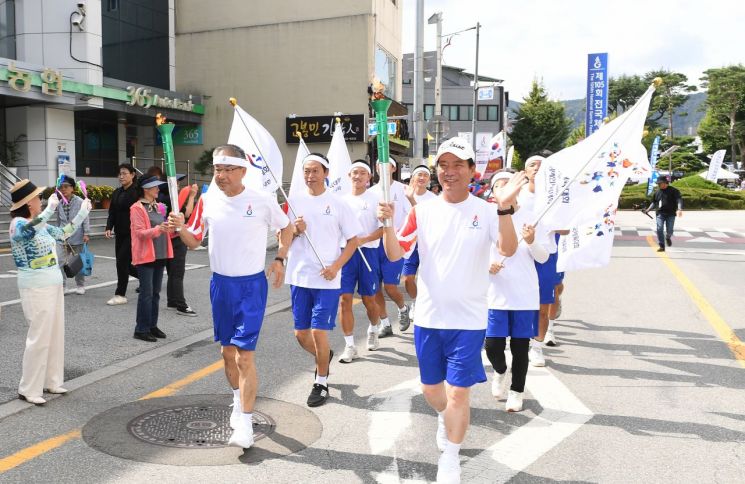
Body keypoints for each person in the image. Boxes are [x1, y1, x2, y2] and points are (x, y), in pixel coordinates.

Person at [378, 137, 523, 483]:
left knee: (459, 392)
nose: (450, 171)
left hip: (469, 320)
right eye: (444, 164)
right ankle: (448, 419)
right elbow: (396, 253)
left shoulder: (487, 211)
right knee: (432, 391)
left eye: (458, 164)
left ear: (473, 170)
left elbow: (508, 248)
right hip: (428, 318)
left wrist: (503, 209)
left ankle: (451, 458)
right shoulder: (422, 210)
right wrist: (386, 224)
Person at [171, 144, 292, 449]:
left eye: (227, 169)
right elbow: (195, 241)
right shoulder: (209, 200)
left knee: (245, 355)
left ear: (242, 171)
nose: (221, 175)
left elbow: (287, 227)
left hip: (251, 286)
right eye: (217, 169)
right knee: (227, 354)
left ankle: (247, 424)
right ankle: (238, 401)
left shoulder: (262, 200)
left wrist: (280, 259)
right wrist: (180, 228)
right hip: (221, 286)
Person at [286, 153, 361, 407]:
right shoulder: (294, 201)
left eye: (315, 171)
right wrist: (295, 231)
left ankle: (321, 381)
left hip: (327, 278)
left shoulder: (338, 204)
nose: (310, 176)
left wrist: (336, 266)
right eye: (306, 171)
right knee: (300, 334)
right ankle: (324, 356)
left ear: (326, 173)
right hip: (299, 275)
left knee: (319, 331)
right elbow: (284, 237)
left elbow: (353, 241)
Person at [9, 180, 92, 405]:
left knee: (55, 334)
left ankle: (52, 381)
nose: (41, 200)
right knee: (39, 337)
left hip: (53, 282)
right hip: (35, 286)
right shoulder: (18, 223)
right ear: (28, 203)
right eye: (37, 198)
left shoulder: (42, 223)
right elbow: (27, 232)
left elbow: (65, 233)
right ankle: (29, 388)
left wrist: (82, 213)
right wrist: (50, 210)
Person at [484, 170, 548, 413]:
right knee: (492, 345)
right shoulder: (487, 216)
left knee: (520, 348)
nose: (504, 189)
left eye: (508, 184)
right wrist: (485, 266)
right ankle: (500, 371)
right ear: (493, 191)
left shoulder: (531, 217)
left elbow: (542, 258)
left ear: (517, 187)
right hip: (496, 293)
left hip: (524, 294)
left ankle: (517, 392)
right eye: (498, 186)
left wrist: (531, 240)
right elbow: (475, 253)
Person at [338, 161, 383, 362]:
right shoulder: (340, 200)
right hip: (345, 254)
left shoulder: (376, 199)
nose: (358, 176)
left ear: (368, 178)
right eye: (354, 173)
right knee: (344, 300)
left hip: (368, 253)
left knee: (369, 300)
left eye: (362, 173)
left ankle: (374, 328)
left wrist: (363, 239)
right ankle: (349, 346)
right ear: (349, 176)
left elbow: (384, 229)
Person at [145, 165, 199, 317]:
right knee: (177, 273)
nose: (179, 185)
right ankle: (181, 304)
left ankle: (172, 301)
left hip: (164, 238)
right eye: (177, 182)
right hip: (176, 238)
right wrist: (192, 196)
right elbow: (187, 213)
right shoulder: (173, 199)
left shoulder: (160, 198)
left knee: (171, 272)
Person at [369, 157, 413, 337]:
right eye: (380, 163)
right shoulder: (370, 191)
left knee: (390, 287)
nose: (383, 166)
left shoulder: (403, 190)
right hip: (374, 244)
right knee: (375, 287)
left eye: (387, 163)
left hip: (394, 242)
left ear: (394, 168)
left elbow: (411, 216)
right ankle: (385, 323)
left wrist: (400, 238)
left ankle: (403, 309)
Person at [130, 176, 174, 342]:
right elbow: (140, 233)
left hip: (160, 253)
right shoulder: (136, 208)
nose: (158, 189)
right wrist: (159, 228)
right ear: (146, 189)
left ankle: (152, 326)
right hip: (146, 255)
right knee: (146, 294)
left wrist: (169, 228)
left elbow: (163, 230)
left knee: (155, 293)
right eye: (155, 187)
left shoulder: (158, 206)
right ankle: (141, 329)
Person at [401, 165, 436, 321]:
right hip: (409, 243)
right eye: (419, 175)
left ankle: (422, 304)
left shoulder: (434, 199)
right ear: (412, 178)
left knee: (427, 278)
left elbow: (425, 220)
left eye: (425, 175)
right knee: (408, 278)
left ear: (429, 179)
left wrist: (412, 200)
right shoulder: (402, 194)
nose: (422, 178)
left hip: (427, 243)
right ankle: (415, 301)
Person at [105, 163, 139, 305]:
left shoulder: (137, 192)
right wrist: (109, 227)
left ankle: (120, 294)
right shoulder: (117, 192)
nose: (121, 176)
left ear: (132, 175)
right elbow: (112, 211)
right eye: (120, 174)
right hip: (120, 232)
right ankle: (145, 277)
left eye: (125, 173)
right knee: (123, 262)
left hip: (133, 232)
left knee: (122, 262)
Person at [55, 175, 90, 294]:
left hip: (77, 236)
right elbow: (59, 220)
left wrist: (86, 233)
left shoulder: (80, 201)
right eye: (61, 187)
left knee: (77, 262)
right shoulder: (59, 203)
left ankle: (80, 285)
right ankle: (63, 286)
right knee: (59, 261)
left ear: (72, 188)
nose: (63, 189)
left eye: (66, 186)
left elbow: (85, 217)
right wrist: (57, 233)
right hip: (62, 237)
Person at [645, 176, 683, 252]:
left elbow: (679, 200)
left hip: (671, 214)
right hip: (660, 213)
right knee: (659, 229)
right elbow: (654, 202)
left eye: (660, 183)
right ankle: (662, 246)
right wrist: (648, 210)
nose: (658, 185)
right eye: (658, 183)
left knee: (670, 230)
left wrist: (679, 209)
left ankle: (668, 237)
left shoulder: (674, 191)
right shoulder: (657, 192)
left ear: (665, 183)